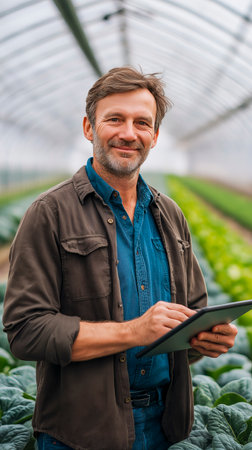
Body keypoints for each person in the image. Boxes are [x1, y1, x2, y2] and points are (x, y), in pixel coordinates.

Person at [3, 67, 237, 450]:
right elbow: (26, 331)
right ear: (89, 128)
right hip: (81, 432)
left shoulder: (170, 215)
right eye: (115, 119)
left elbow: (191, 315)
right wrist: (134, 331)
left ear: (155, 136)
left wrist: (204, 338)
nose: (129, 133)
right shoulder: (49, 213)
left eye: (142, 122)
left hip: (165, 426)